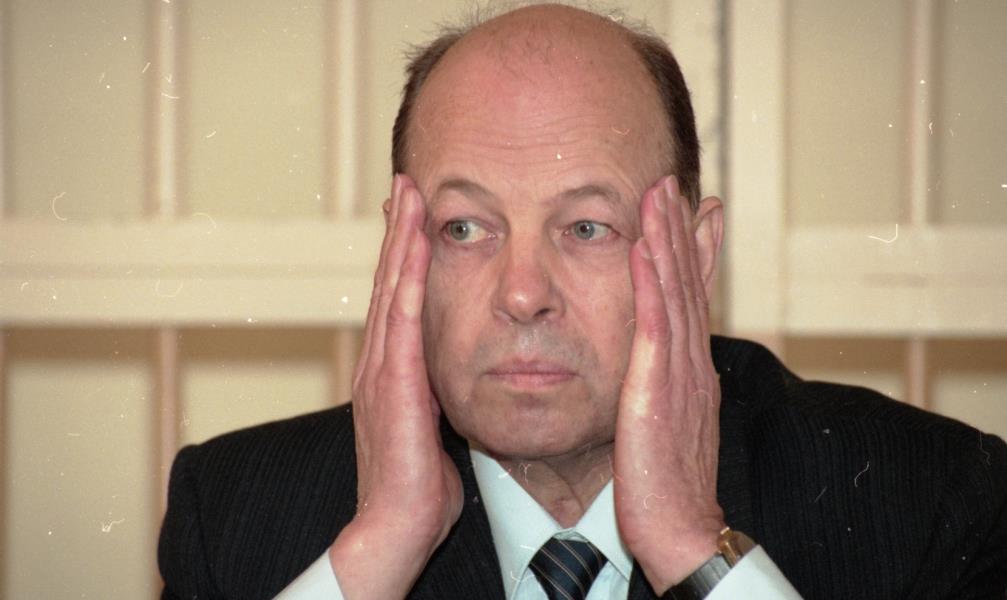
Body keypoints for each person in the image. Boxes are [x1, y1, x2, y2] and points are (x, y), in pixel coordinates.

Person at [158, 4, 1007, 599]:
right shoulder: (230, 515)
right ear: (400, 253)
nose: (523, 293)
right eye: (464, 228)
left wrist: (693, 549)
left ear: (695, 254)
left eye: (586, 228)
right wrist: (379, 551)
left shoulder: (930, 499)